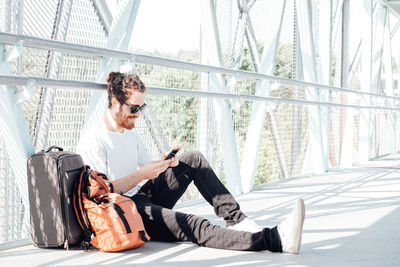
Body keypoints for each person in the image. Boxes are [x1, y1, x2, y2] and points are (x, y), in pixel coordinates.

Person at [77, 72, 305, 254]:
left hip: (143, 194)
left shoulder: (129, 134)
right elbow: (100, 194)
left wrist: (164, 164)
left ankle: (237, 220)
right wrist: (141, 175)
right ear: (116, 103)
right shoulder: (94, 140)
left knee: (193, 158)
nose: (138, 114)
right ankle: (274, 240)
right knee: (194, 224)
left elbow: (147, 167)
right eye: (134, 109)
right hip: (125, 211)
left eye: (142, 108)